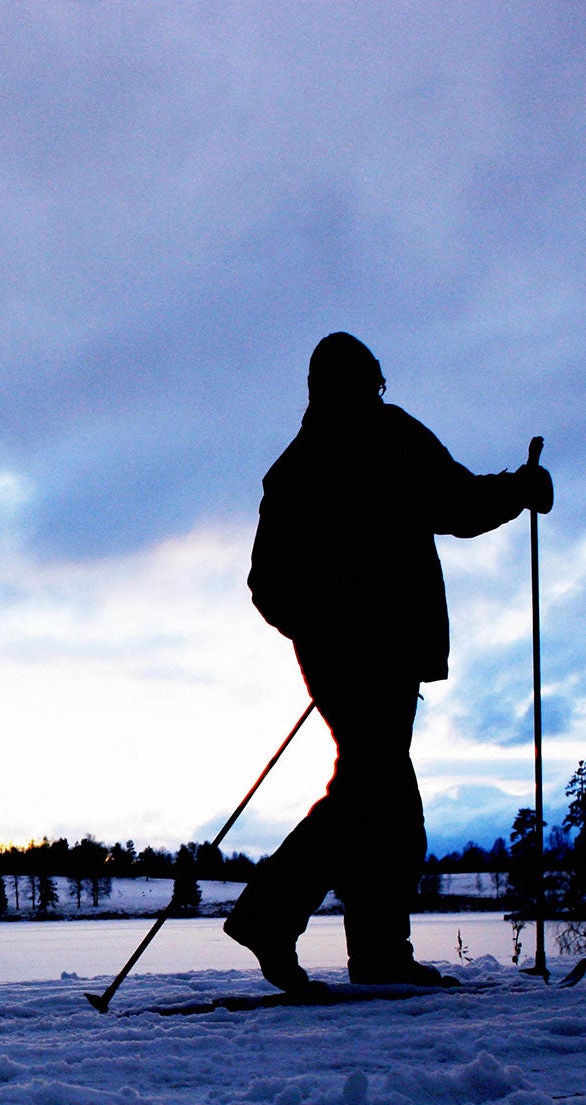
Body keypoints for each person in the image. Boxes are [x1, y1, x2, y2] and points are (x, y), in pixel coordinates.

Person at [225, 332, 551, 992]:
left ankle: (371, 951)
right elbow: (455, 504)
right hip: (369, 653)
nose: (372, 394)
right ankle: (279, 916)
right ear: (365, 382)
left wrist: (319, 629)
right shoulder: (381, 438)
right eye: (370, 384)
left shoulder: (301, 464)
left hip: (357, 655)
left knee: (379, 797)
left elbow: (269, 584)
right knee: (378, 791)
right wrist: (520, 489)